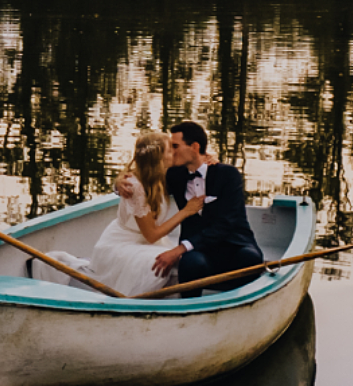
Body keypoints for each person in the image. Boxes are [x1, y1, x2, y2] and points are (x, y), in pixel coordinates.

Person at [151, 121, 263, 295]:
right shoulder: (174, 175)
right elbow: (143, 182)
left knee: (250, 259)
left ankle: (240, 306)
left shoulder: (228, 175)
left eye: (175, 146)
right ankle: (188, 311)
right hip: (198, 249)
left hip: (234, 243)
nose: (172, 152)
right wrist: (119, 185)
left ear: (194, 147)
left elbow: (226, 224)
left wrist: (179, 249)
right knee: (190, 264)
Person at [76, 132, 194, 295]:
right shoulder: (134, 186)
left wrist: (210, 159)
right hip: (123, 245)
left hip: (146, 242)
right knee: (160, 262)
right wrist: (186, 211)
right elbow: (151, 235)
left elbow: (196, 163)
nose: (174, 153)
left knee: (181, 257)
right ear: (157, 158)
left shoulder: (161, 174)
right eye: (169, 150)